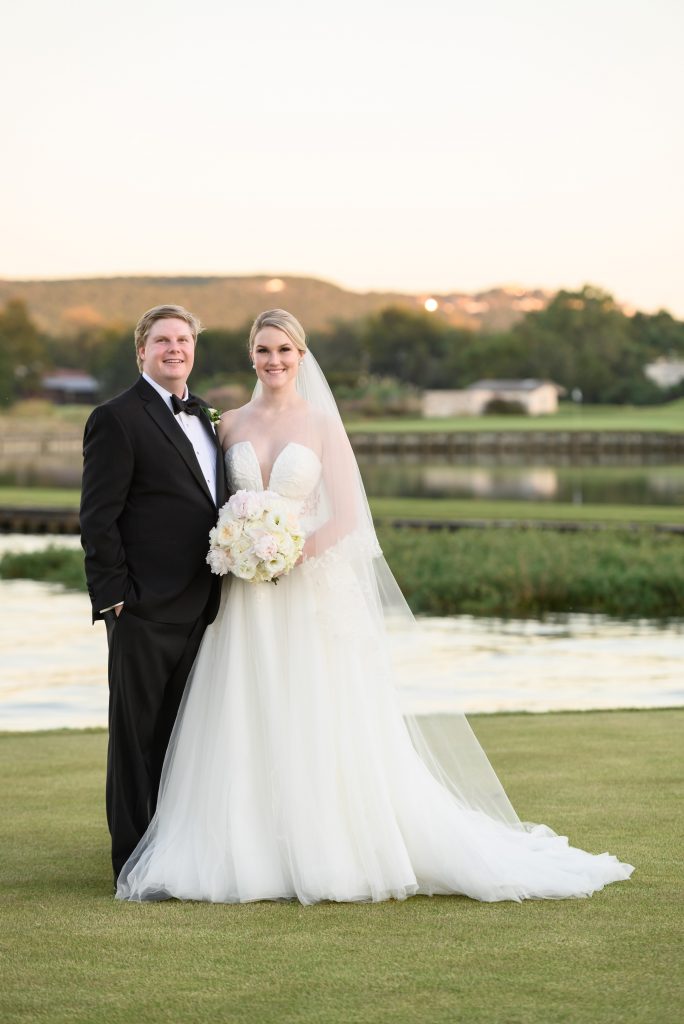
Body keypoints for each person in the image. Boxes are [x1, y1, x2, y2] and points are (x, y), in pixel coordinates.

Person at [116, 309, 633, 904]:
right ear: (250, 356)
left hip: (305, 589)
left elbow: (350, 516)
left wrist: (293, 550)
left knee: (314, 711)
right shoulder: (227, 423)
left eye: (284, 349)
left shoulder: (322, 425)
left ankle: (326, 847)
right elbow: (208, 500)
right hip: (244, 598)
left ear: (302, 356)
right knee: (246, 711)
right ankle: (247, 847)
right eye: (263, 350)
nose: (274, 360)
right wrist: (240, 544)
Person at [80, 304, 227, 879]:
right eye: (162, 340)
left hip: (204, 605)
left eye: (184, 339)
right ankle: (130, 864)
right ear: (141, 350)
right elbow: (97, 518)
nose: (174, 348)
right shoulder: (115, 417)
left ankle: (171, 851)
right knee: (135, 741)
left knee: (180, 740)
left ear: (194, 348)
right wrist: (115, 598)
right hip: (142, 608)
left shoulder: (208, 415)